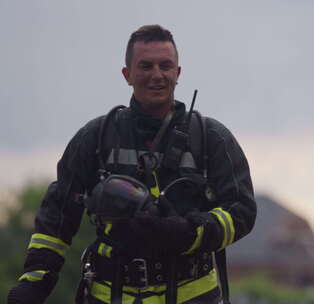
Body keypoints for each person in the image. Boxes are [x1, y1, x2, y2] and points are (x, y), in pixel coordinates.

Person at [7, 25, 257, 304]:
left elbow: (242, 212)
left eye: (165, 66)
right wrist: (34, 282)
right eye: (145, 66)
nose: (157, 75)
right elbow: (57, 217)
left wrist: (188, 232)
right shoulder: (96, 138)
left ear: (178, 73)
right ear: (127, 75)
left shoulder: (211, 138)